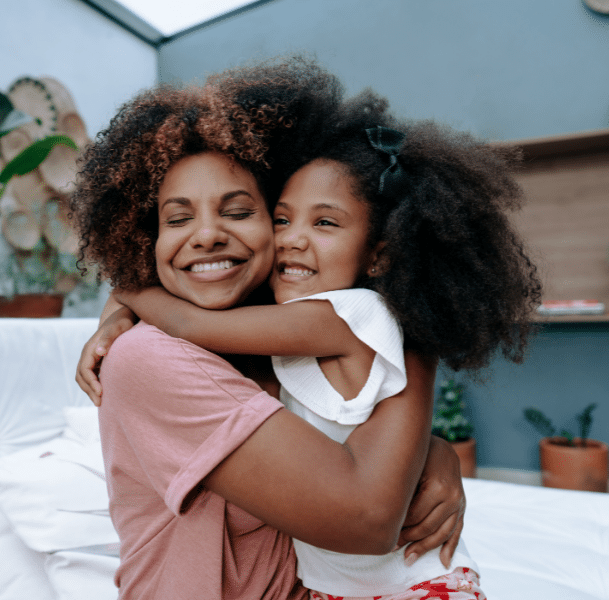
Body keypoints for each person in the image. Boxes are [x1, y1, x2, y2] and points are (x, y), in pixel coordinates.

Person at [84, 90, 542, 599]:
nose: (209, 234)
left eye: (239, 212)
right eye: (177, 219)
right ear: (138, 238)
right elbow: (366, 515)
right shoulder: (147, 356)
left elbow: (342, 434)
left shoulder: (301, 331)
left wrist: (429, 453)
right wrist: (124, 290)